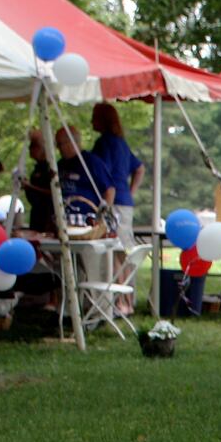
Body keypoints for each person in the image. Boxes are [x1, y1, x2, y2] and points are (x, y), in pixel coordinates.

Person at [90, 103, 147, 313]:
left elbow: (102, 174)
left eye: (94, 117)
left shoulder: (104, 144)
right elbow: (139, 168)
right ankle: (128, 298)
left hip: (112, 204)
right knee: (124, 252)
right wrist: (130, 193)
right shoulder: (121, 144)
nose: (90, 122)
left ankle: (122, 302)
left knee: (113, 250)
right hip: (125, 203)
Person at [22, 130, 56, 235]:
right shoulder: (37, 169)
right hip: (36, 215)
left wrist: (30, 187)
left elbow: (52, 192)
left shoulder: (50, 169)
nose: (30, 149)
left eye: (34, 146)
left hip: (46, 216)